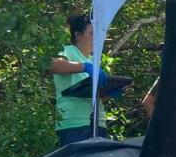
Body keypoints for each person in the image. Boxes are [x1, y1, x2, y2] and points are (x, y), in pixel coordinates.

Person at [49, 14, 122, 146]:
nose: (96, 39)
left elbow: (97, 96)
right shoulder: (68, 51)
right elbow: (53, 65)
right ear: (77, 35)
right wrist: (84, 67)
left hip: (98, 123)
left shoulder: (93, 61)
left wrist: (108, 92)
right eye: (91, 34)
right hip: (75, 123)